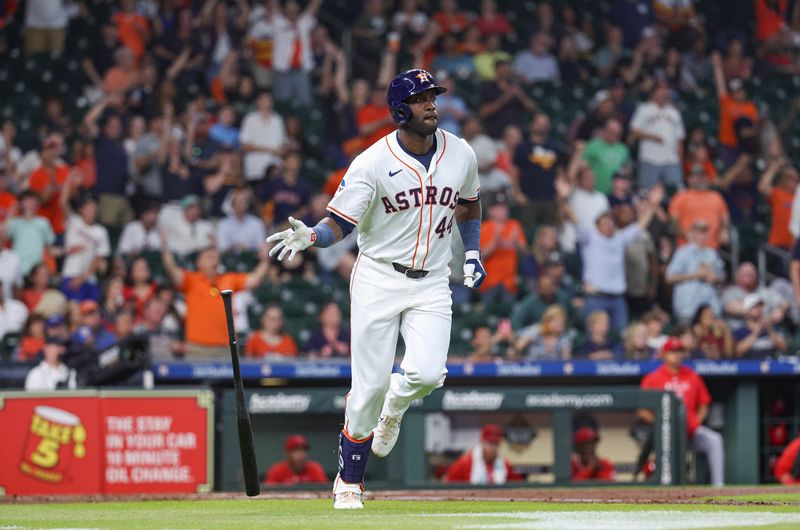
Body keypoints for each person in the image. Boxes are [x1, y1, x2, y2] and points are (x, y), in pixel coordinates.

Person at [265, 69, 485, 509]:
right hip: (379, 278)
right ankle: (349, 483)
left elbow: (470, 204)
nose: (431, 105)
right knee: (366, 389)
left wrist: (473, 252)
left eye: (433, 96)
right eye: (422, 98)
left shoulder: (460, 153)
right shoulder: (370, 162)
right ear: (400, 109)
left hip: (432, 281)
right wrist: (311, 237)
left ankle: (395, 407)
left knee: (424, 374)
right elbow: (339, 224)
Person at [161, 232, 269, 359]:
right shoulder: (191, 280)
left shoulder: (229, 279)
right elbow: (171, 269)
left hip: (226, 348)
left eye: (217, 258)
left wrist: (265, 259)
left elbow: (256, 279)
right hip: (197, 348)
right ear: (199, 262)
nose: (215, 261)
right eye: (210, 257)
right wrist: (165, 247)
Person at [574, 187, 663, 333]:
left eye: (611, 223)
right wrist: (564, 199)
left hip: (617, 298)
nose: (609, 225)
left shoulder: (619, 238)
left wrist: (653, 205)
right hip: (596, 297)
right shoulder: (590, 237)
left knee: (622, 336)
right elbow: (574, 220)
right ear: (597, 226)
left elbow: (640, 225)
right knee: (594, 336)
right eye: (605, 223)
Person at [639, 337, 725, 486]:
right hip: (665, 434)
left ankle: (719, 485)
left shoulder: (693, 376)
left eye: (679, 351)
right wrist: (661, 423)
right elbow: (641, 410)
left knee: (715, 440)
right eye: (672, 352)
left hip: (690, 431)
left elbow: (704, 404)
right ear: (664, 354)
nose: (676, 355)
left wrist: (695, 422)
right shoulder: (652, 378)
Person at [629, 81, 685, 190]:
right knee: (646, 192)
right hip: (650, 159)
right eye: (660, 90)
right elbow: (633, 131)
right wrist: (652, 137)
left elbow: (680, 138)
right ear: (653, 93)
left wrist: (679, 159)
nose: (663, 93)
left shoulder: (674, 112)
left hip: (671, 160)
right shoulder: (644, 109)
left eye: (665, 90)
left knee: (675, 192)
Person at [665, 220, 724, 323]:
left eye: (705, 232)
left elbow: (722, 277)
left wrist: (715, 277)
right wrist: (695, 275)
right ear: (692, 234)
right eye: (699, 232)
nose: (702, 235)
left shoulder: (712, 254)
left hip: (710, 305)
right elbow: (670, 277)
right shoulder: (683, 252)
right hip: (688, 306)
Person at [59, 191, 111, 302]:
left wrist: (82, 278)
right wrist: (70, 180)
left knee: (91, 311)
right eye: (87, 206)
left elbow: (99, 258)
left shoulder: (101, 231)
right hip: (70, 274)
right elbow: (62, 202)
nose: (91, 209)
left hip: (89, 279)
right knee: (73, 310)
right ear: (81, 209)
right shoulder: (74, 222)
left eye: (93, 206)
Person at [668, 166, 730, 249]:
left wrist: (724, 230)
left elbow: (725, 217)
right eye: (696, 177)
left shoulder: (716, 196)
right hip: (687, 247)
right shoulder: (681, 196)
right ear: (689, 179)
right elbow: (673, 221)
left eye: (703, 176)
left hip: (712, 248)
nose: (700, 179)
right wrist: (685, 234)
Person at [479, 195, 526, 301]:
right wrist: (495, 243)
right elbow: (479, 256)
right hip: (489, 282)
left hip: (509, 283)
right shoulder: (484, 227)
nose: (502, 211)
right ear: (491, 211)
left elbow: (525, 252)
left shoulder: (514, 225)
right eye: (498, 208)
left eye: (504, 208)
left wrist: (516, 244)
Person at [444, 424, 523, 484]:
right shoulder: (466, 462)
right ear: (482, 442)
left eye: (496, 444)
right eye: (490, 443)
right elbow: (447, 482)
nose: (493, 448)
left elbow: (519, 485)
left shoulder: (504, 464)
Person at [240, 91, 288, 182]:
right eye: (264, 100)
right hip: (255, 169)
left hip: (275, 168)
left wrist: (283, 150)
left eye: (269, 101)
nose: (267, 103)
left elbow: (283, 143)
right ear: (258, 102)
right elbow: (245, 146)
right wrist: (271, 150)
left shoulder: (278, 120)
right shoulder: (250, 119)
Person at [582, 118, 630, 194]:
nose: (614, 135)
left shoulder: (623, 150)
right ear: (605, 130)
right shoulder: (593, 145)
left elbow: (627, 170)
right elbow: (583, 166)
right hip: (592, 191)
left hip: (612, 194)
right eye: (612, 131)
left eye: (617, 133)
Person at [732, 294, 787, 359]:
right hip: (749, 367)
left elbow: (784, 347)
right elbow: (738, 351)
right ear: (746, 310)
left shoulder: (772, 328)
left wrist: (769, 330)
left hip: (772, 365)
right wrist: (756, 332)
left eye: (760, 306)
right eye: (754, 307)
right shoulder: (740, 331)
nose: (759, 309)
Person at [760, 159, 798, 251]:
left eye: (795, 178)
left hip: (795, 246)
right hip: (778, 245)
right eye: (789, 177)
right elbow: (762, 187)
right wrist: (774, 168)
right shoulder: (778, 193)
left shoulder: (798, 196)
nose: (793, 180)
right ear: (782, 180)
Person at [217, 187, 266, 253]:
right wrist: (234, 247)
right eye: (239, 202)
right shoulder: (224, 224)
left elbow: (261, 245)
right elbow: (221, 247)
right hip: (230, 258)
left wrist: (247, 248)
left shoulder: (256, 223)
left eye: (244, 202)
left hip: (251, 258)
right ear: (232, 204)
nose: (242, 205)